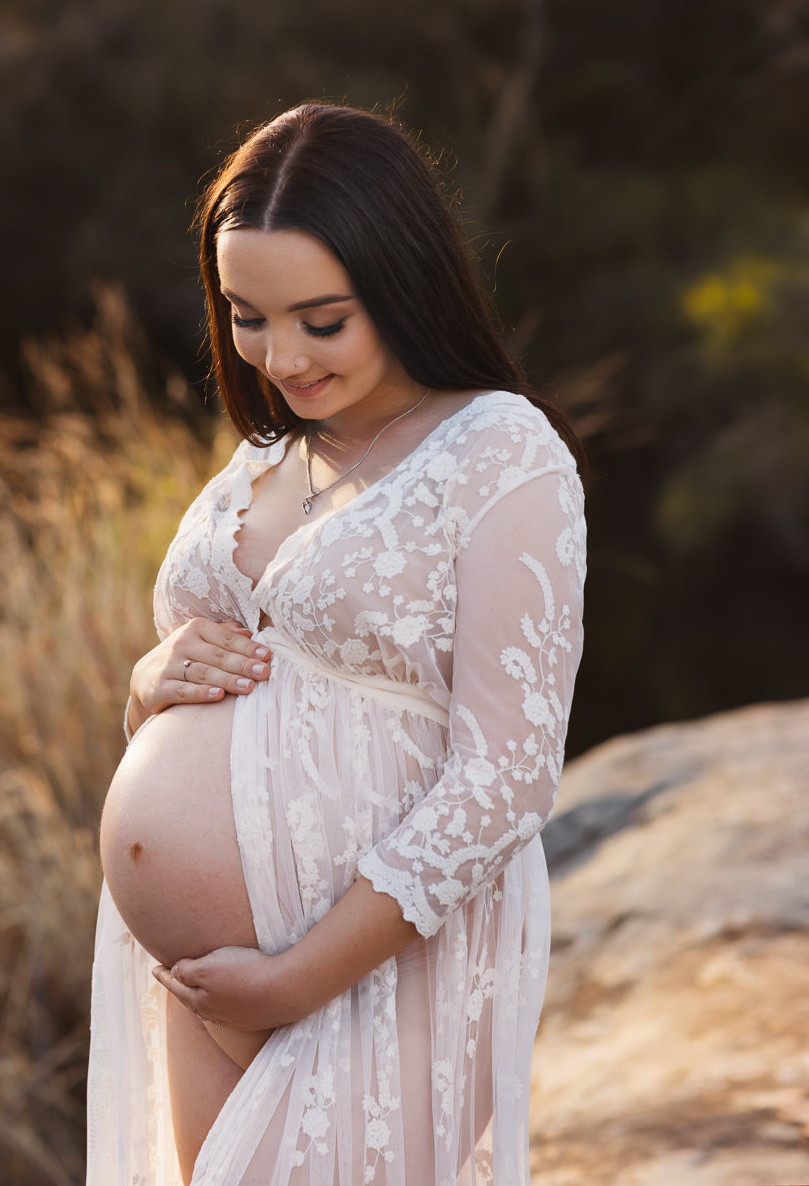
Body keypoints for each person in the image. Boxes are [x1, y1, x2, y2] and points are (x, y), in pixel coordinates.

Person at [87, 102, 586, 1186]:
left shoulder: (500, 452)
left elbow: (506, 776)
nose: (279, 357)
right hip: (209, 983)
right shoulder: (269, 454)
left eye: (322, 320)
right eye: (246, 316)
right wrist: (147, 685)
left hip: (365, 974)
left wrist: (299, 976)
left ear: (402, 281)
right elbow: (218, 683)